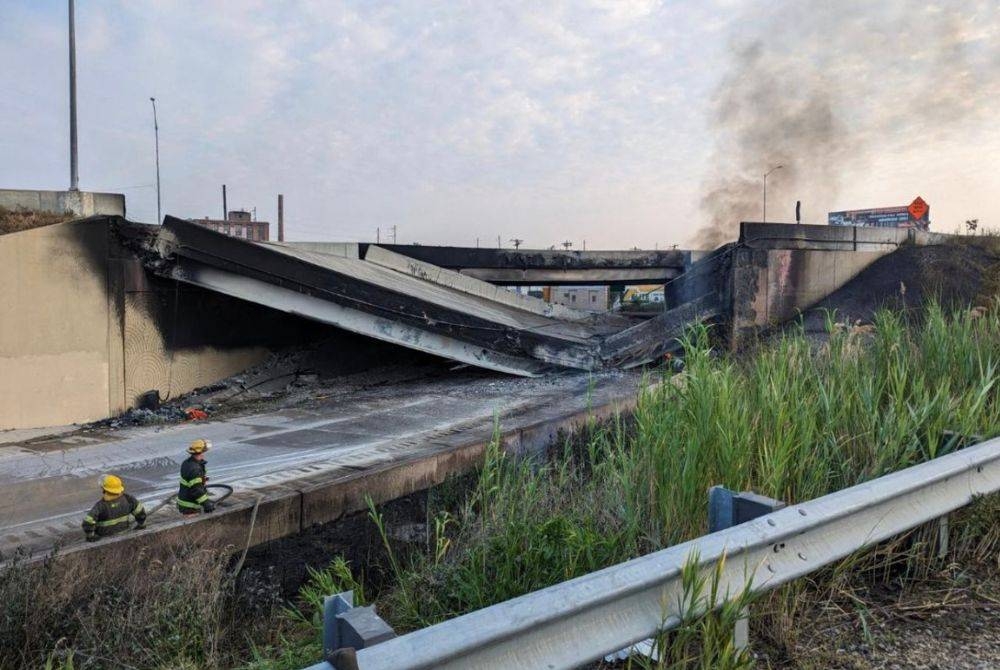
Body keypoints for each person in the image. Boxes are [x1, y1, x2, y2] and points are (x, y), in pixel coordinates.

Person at [81, 475, 146, 542]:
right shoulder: (128, 499)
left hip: (104, 536)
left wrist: (90, 536)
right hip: (124, 532)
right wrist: (142, 525)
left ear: (105, 489)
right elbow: (140, 512)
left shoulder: (100, 506)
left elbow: (88, 522)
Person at [178, 438, 216, 514]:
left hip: (184, 500)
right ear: (201, 452)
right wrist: (206, 504)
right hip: (190, 505)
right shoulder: (195, 469)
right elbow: (197, 490)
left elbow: (192, 482)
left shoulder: (187, 463)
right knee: (191, 523)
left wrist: (201, 479)